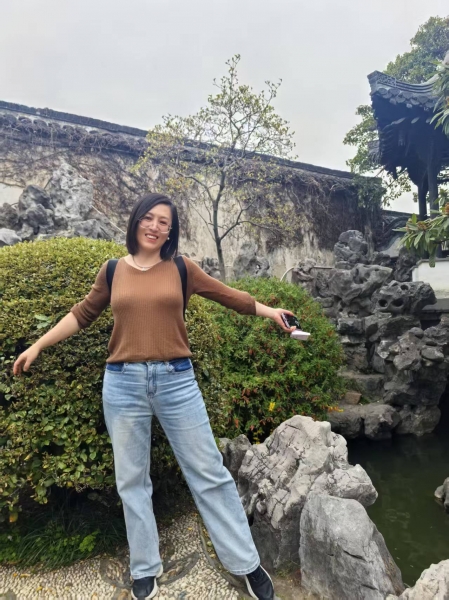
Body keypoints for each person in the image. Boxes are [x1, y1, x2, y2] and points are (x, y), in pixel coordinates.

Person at [14, 193, 297, 600]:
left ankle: (246, 564)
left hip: (176, 381)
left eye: (164, 222)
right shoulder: (113, 271)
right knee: (131, 480)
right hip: (122, 384)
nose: (155, 226)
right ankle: (145, 567)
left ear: (170, 231)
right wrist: (38, 345)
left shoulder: (182, 268)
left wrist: (273, 313)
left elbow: (228, 295)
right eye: (148, 218)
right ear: (135, 221)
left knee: (209, 472)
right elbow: (81, 314)